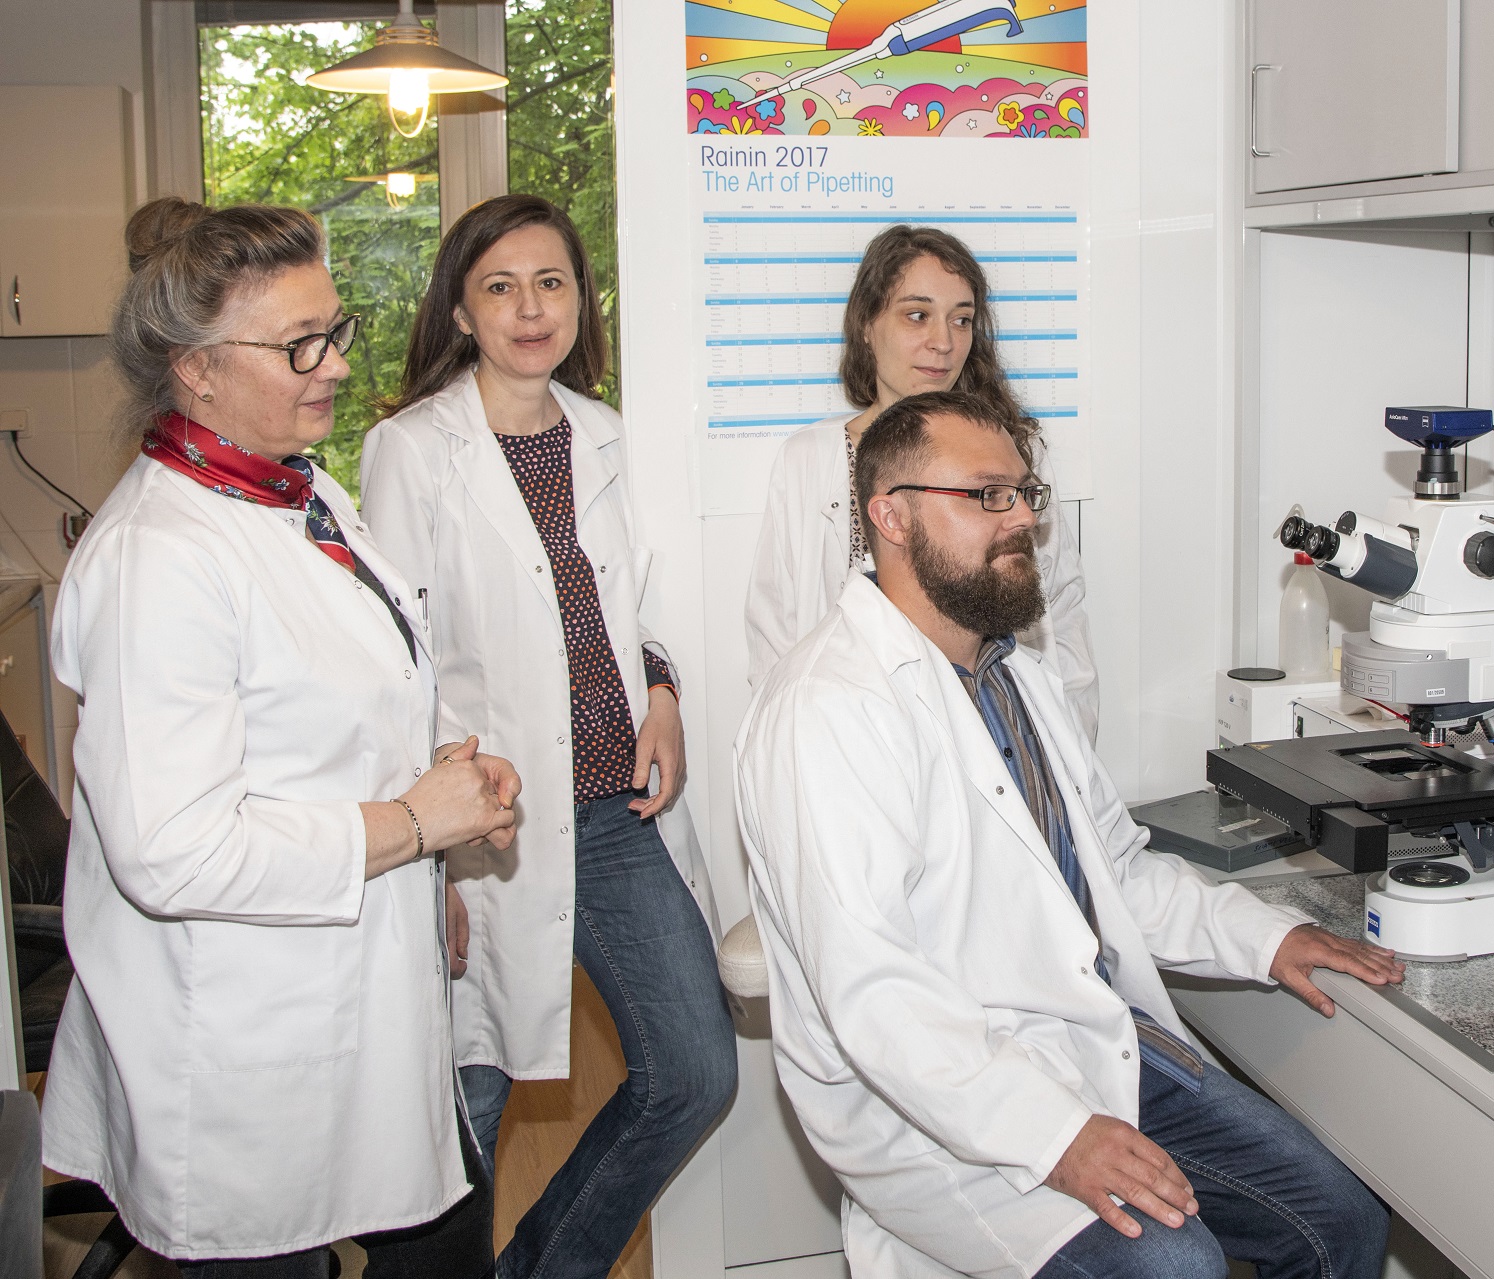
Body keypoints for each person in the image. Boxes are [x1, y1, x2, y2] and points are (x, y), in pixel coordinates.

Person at [736, 389, 1405, 1279]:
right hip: (932, 1111)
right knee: (1178, 1267)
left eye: (1024, 495)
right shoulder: (826, 710)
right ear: (889, 516)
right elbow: (877, 997)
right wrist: (1056, 1136)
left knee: (1342, 1219)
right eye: (985, 496)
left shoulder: (1018, 674)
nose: (1019, 520)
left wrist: (1266, 934)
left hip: (1086, 1043)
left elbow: (1115, 872)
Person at [41, 197, 519, 1275]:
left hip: (350, 989)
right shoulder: (158, 560)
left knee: (438, 1227)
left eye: (335, 329)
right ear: (195, 369)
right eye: (299, 343)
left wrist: (440, 795)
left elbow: (350, 692)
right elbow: (172, 848)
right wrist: (405, 825)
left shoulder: (298, 495)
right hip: (243, 1044)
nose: (338, 364)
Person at [361, 193, 736, 1279]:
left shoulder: (606, 434)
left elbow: (633, 601)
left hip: (614, 810)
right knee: (467, 1098)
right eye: (500, 286)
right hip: (483, 822)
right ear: (462, 310)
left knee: (696, 1069)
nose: (531, 308)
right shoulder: (410, 449)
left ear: (582, 298)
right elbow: (397, 660)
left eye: (553, 282)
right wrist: (426, 861)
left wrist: (659, 687)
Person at [744, 224, 1099, 739]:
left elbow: (1061, 616)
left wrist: (1064, 756)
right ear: (867, 323)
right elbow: (773, 636)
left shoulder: (1017, 455)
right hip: (857, 738)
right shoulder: (808, 461)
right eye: (917, 315)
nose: (943, 342)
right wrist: (795, 748)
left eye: (962, 320)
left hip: (995, 733)